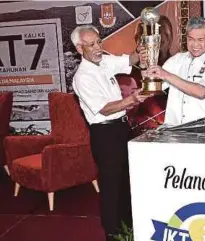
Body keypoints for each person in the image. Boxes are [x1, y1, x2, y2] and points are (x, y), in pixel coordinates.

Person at [70, 25, 149, 241]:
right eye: (92, 44)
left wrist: (144, 48)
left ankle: (128, 228)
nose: (98, 47)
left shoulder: (103, 61)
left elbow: (129, 60)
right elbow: (104, 108)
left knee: (125, 181)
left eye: (99, 41)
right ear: (79, 48)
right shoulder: (82, 77)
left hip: (121, 128)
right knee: (111, 185)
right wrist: (131, 100)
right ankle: (112, 233)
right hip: (104, 134)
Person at [145, 16, 205, 125]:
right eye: (190, 39)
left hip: (204, 132)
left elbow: (201, 92)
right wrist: (146, 63)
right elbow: (153, 85)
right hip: (174, 131)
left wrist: (167, 75)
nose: (195, 45)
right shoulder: (177, 59)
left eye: (200, 40)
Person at [117, 16, 175, 135]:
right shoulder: (126, 73)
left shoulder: (175, 67)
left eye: (160, 40)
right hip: (135, 134)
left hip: (169, 131)